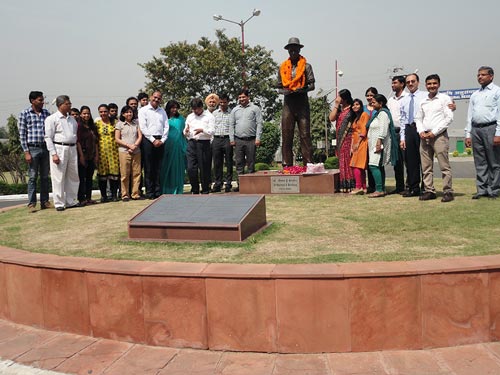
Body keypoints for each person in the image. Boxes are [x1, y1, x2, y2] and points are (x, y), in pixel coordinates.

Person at [415, 74, 454, 202]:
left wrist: (435, 132)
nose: (432, 86)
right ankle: (429, 190)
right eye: (429, 84)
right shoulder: (423, 101)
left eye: (434, 83)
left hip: (439, 136)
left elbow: (449, 118)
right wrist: (421, 131)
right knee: (426, 166)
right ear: (426, 85)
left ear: (439, 84)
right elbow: (418, 118)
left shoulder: (444, 99)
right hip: (424, 136)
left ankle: (447, 191)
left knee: (444, 165)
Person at [277, 37, 315, 166]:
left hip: (302, 103)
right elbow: (279, 86)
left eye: (295, 49)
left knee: (305, 135)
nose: (293, 51)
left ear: (299, 50)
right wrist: (284, 91)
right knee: (287, 136)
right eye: (290, 49)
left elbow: (312, 85)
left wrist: (301, 90)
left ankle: (308, 164)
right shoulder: (283, 67)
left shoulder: (306, 66)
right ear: (288, 51)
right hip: (288, 104)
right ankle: (287, 164)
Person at [465, 66, 500, 199]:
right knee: (480, 161)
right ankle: (482, 189)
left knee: (494, 161)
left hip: (491, 128)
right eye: (478, 75)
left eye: (483, 75)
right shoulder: (475, 94)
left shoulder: (497, 92)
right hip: (476, 129)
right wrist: (468, 134)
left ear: (491, 76)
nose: (480, 77)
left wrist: (498, 133)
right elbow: (470, 115)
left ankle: (494, 189)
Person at [44, 95, 80, 211]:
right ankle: (59, 203)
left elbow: (74, 135)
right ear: (60, 105)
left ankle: (71, 201)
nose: (70, 105)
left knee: (73, 176)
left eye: (70, 103)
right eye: (67, 104)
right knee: (58, 176)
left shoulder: (72, 119)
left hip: (72, 148)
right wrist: (53, 153)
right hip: (59, 148)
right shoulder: (52, 119)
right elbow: (48, 137)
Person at [18, 91, 51, 212]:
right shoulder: (25, 114)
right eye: (40, 100)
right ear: (32, 101)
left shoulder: (46, 113)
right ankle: (31, 203)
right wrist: (26, 152)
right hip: (32, 148)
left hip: (45, 147)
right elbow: (22, 134)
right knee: (32, 177)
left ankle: (45, 201)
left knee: (44, 177)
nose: (42, 102)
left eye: (42, 100)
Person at [400, 73, 428, 197]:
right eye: (408, 82)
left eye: (413, 81)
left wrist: (451, 105)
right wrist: (402, 137)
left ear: (418, 82)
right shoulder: (404, 99)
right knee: (411, 161)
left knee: (424, 160)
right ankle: (413, 187)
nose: (410, 84)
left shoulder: (425, 96)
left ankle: (426, 187)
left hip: (422, 128)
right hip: (409, 129)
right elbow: (402, 119)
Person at [229, 88, 263, 191]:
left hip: (251, 140)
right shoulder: (235, 110)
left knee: (251, 162)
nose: (241, 99)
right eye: (239, 97)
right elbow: (231, 125)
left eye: (243, 97)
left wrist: (258, 138)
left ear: (248, 97)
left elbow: (259, 124)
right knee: (239, 162)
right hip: (238, 140)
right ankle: (241, 185)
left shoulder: (255, 108)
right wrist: (232, 139)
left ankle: (251, 185)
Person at [366, 94, 398, 198]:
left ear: (381, 103)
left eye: (374, 102)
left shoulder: (383, 114)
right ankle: (382, 189)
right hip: (374, 144)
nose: (372, 103)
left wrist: (379, 141)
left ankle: (379, 189)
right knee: (378, 166)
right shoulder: (378, 114)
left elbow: (383, 129)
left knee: (373, 165)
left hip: (379, 144)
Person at [138, 91, 169, 199]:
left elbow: (166, 126)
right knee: (149, 167)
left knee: (158, 167)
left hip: (160, 140)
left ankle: (157, 191)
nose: (156, 100)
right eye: (155, 97)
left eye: (159, 98)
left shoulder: (162, 111)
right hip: (148, 140)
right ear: (151, 97)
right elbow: (143, 127)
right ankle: (150, 192)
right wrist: (152, 140)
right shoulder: (143, 110)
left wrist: (163, 140)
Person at [184, 97, 215, 194]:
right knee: (190, 168)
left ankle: (205, 189)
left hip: (203, 143)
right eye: (193, 109)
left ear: (201, 107)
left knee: (204, 168)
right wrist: (186, 132)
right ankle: (195, 189)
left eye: (196, 109)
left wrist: (202, 130)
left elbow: (212, 131)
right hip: (191, 143)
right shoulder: (190, 116)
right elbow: (185, 131)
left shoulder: (209, 116)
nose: (195, 111)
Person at [329, 89, 354, 192]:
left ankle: (351, 184)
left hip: (349, 138)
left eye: (339, 96)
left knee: (348, 160)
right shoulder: (340, 110)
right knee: (341, 161)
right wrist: (336, 105)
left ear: (345, 98)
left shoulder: (352, 110)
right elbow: (331, 118)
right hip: (340, 139)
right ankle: (344, 184)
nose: (337, 98)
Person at [115, 105, 142, 201]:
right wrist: (128, 145)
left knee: (136, 173)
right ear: (123, 114)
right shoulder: (119, 124)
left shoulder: (136, 123)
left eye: (130, 112)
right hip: (124, 151)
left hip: (136, 151)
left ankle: (135, 193)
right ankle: (125, 194)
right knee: (125, 174)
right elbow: (117, 139)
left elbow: (140, 136)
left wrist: (134, 146)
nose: (129, 114)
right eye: (126, 112)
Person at [160, 100, 187, 194]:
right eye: (172, 107)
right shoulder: (163, 118)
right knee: (165, 168)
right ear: (168, 108)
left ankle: (177, 188)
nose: (174, 109)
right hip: (166, 146)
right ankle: (165, 189)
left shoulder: (181, 119)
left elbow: (184, 133)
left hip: (178, 147)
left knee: (177, 168)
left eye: (176, 107)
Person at [95, 104, 120, 202]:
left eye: (105, 111)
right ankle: (104, 196)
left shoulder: (114, 123)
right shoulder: (96, 124)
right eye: (101, 112)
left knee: (114, 175)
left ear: (108, 112)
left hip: (113, 152)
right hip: (101, 153)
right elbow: (95, 140)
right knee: (102, 176)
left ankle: (114, 195)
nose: (103, 113)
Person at [387, 75, 407, 194]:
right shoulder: (391, 100)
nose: (392, 85)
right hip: (394, 133)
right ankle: (399, 186)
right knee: (397, 162)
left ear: (402, 84)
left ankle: (411, 186)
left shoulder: (407, 98)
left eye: (395, 83)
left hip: (405, 132)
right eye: (392, 83)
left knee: (408, 161)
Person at [76, 106, 98, 205]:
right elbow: (78, 142)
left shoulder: (92, 126)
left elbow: (96, 142)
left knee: (89, 178)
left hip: (91, 156)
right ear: (81, 114)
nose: (86, 115)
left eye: (88, 113)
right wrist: (81, 156)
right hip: (83, 155)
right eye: (84, 113)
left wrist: (96, 155)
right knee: (82, 178)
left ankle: (89, 198)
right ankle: (82, 199)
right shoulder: (79, 126)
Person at [211, 93, 233, 193]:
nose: (223, 104)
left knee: (228, 162)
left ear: (228, 102)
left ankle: (228, 183)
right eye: (221, 102)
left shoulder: (232, 113)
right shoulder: (214, 113)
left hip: (227, 138)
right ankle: (218, 183)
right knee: (217, 163)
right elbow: (211, 127)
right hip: (216, 139)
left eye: (225, 102)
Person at [349, 99, 369, 195]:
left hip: (362, 142)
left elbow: (364, 130)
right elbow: (353, 134)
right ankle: (364, 187)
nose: (355, 106)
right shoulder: (355, 118)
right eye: (353, 105)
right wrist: (352, 146)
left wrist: (358, 143)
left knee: (356, 165)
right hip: (356, 143)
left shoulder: (364, 115)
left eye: (357, 104)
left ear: (361, 106)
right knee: (359, 166)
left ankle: (358, 187)